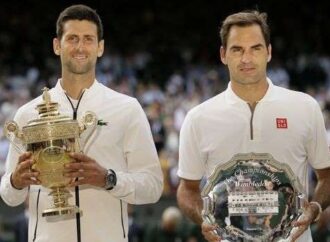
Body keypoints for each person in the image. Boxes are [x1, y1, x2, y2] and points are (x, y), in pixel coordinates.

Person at [0, 4, 163, 242]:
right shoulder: (28, 114)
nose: (80, 47)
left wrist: (108, 179)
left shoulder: (127, 108)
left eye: (88, 39)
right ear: (57, 45)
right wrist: (16, 180)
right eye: (72, 38)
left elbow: (153, 186)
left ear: (100, 47)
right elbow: (9, 195)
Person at [176, 10, 330, 242]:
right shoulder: (198, 118)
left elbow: (327, 176)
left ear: (268, 52)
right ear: (223, 55)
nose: (246, 58)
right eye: (237, 49)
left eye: (255, 48)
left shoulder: (305, 107)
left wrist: (315, 208)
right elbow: (186, 189)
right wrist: (204, 218)